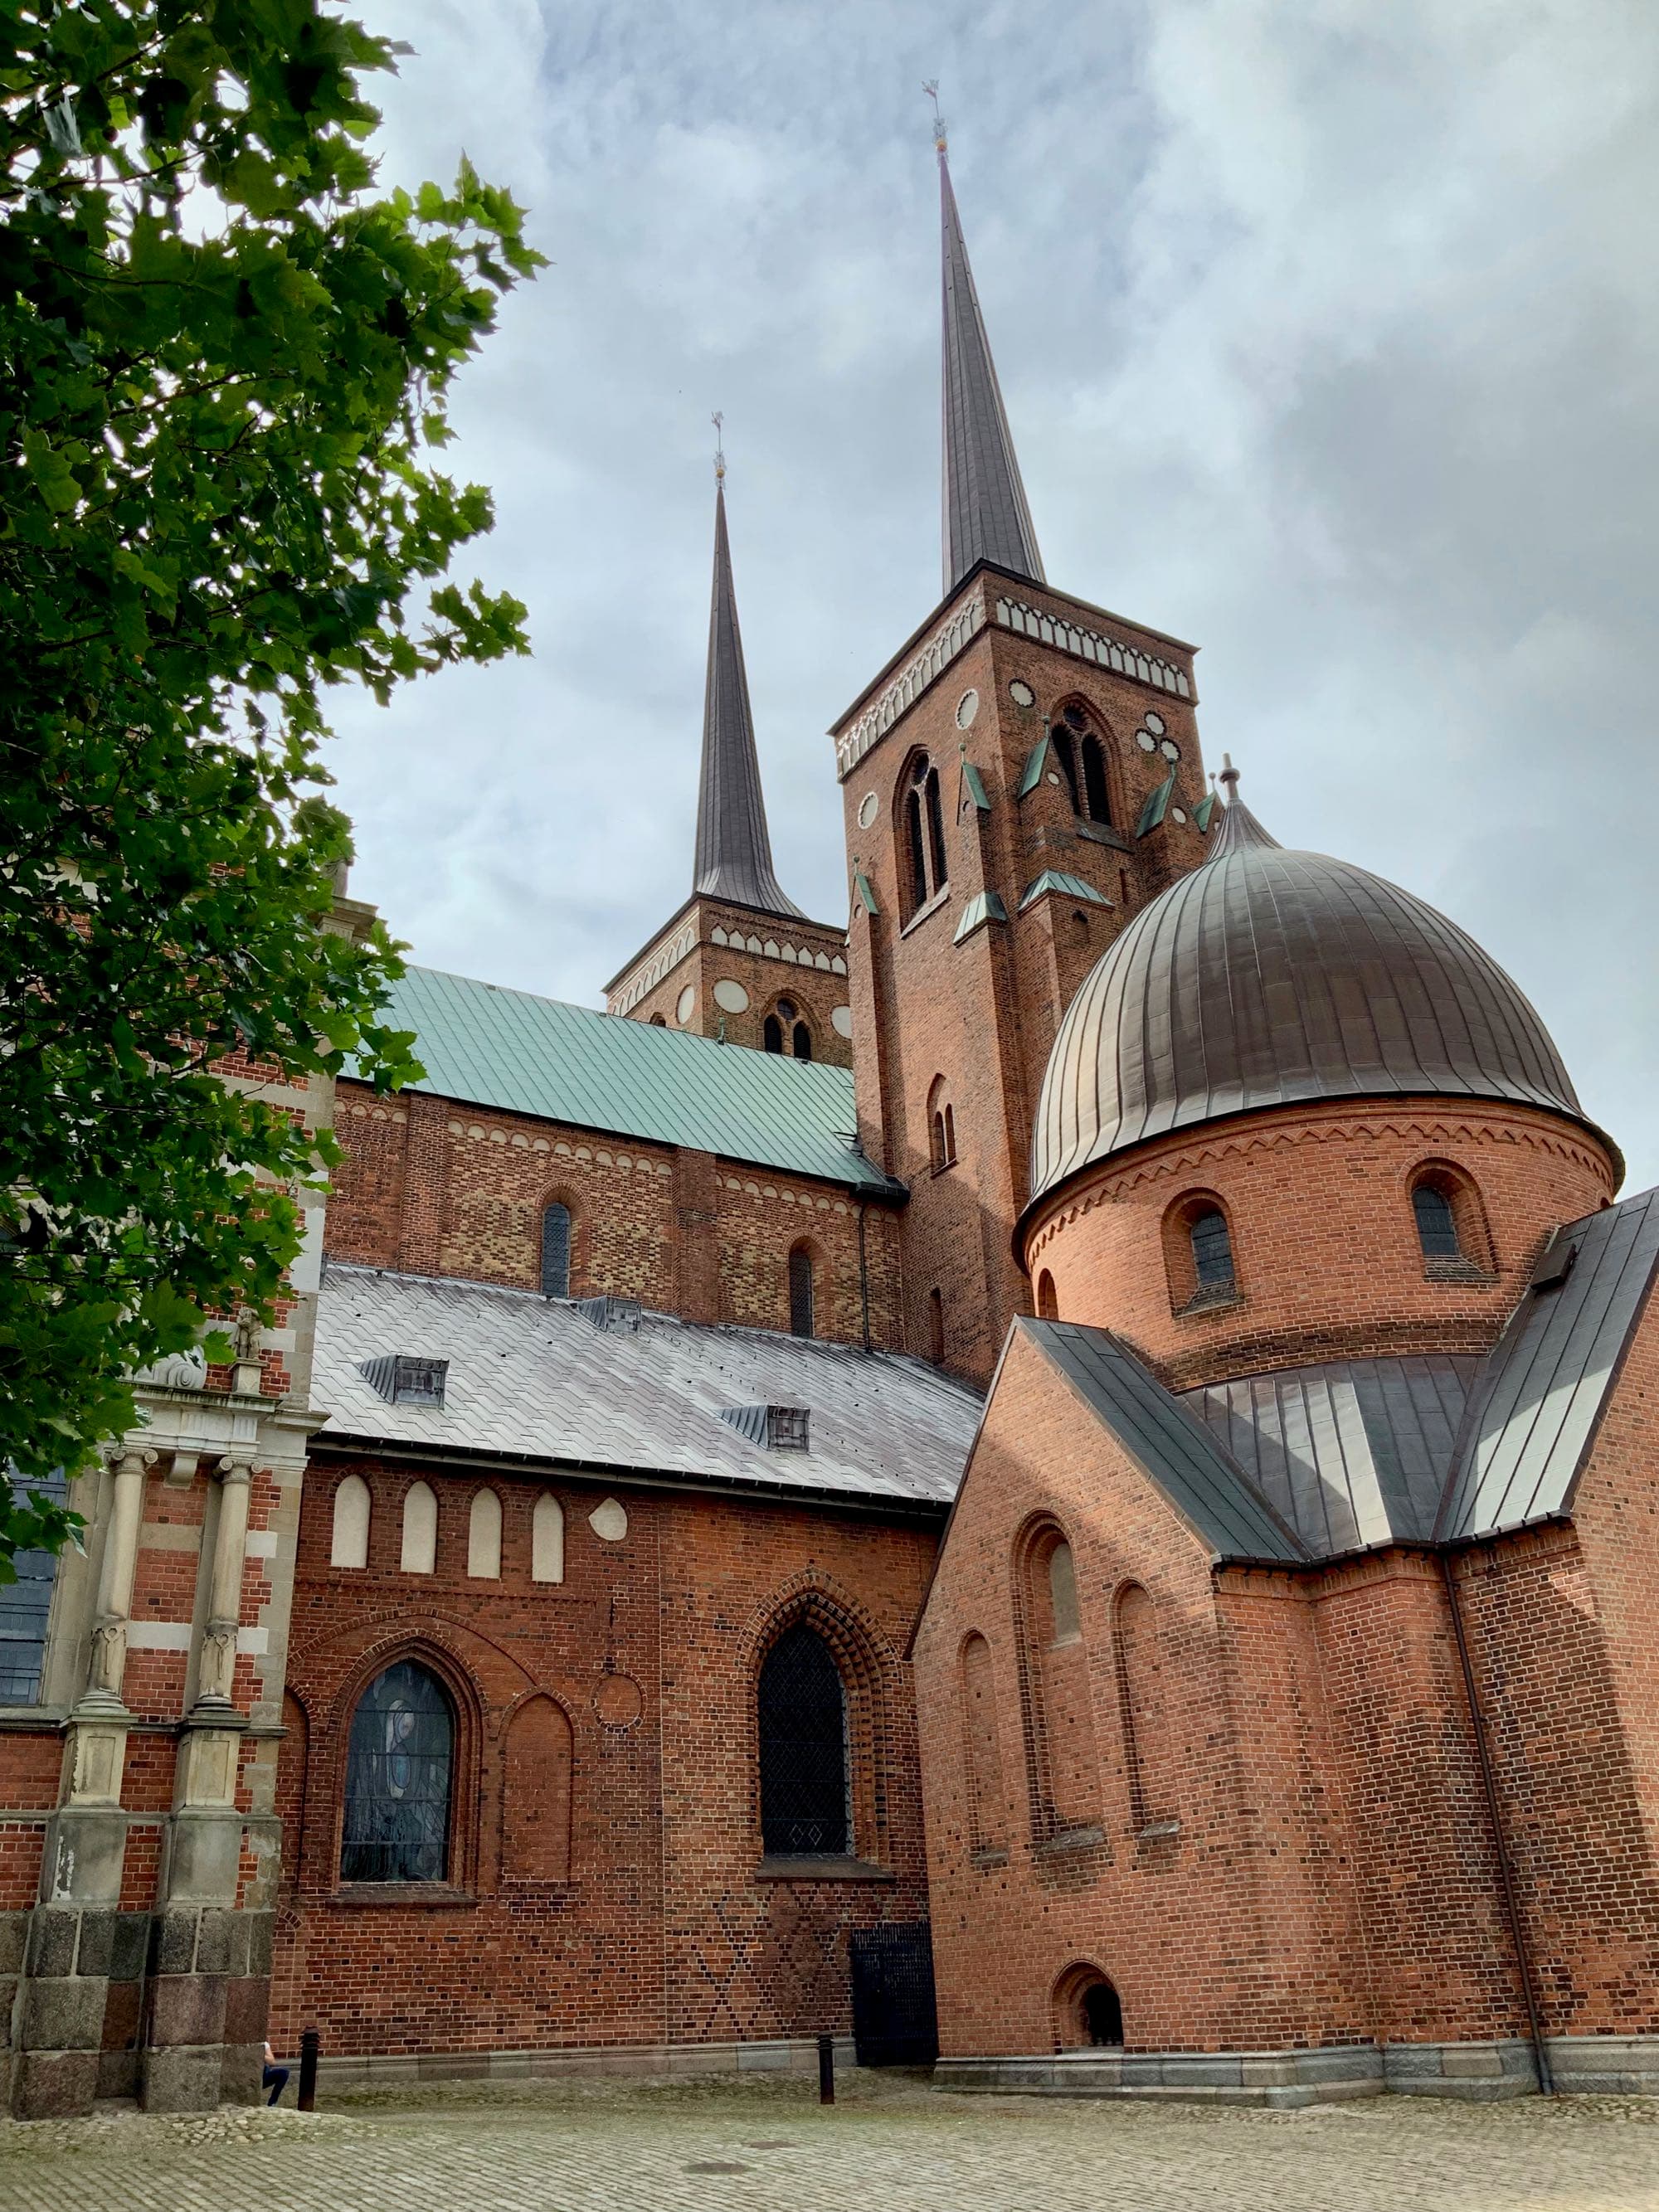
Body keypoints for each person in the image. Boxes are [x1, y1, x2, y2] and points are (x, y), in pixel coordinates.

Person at [263, 2039, 289, 2107]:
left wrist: (260, 2055)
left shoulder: (264, 2044)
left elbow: (272, 2061)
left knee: (284, 2072)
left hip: (262, 2076)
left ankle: (272, 2103)